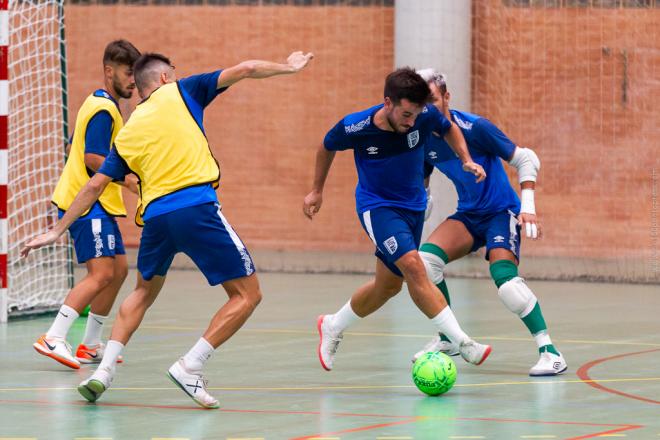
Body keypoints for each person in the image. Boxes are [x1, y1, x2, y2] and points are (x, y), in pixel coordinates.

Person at [22, 50, 314, 408]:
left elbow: (95, 185)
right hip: (196, 209)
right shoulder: (184, 91)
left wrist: (56, 231)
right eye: (173, 72)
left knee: (143, 291)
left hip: (156, 219)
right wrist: (289, 66)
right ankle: (190, 366)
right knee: (247, 295)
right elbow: (248, 68)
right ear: (163, 79)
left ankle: (104, 372)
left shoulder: (129, 130)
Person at [303, 67, 492, 372]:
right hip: (378, 208)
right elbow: (326, 146)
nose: (411, 121)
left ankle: (332, 325)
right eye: (406, 114)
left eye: (416, 114)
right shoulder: (356, 126)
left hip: (413, 207)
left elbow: (448, 128)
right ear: (388, 102)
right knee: (415, 267)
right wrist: (316, 191)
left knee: (387, 287)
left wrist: (466, 159)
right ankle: (462, 342)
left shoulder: (424, 116)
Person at [413, 69, 567, 376]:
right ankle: (448, 339)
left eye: (432, 100)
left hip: (501, 212)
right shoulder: (421, 135)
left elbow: (527, 159)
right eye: (421, 103)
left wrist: (528, 207)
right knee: (425, 261)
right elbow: (424, 175)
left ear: (446, 97)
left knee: (506, 281)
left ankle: (550, 351)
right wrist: (422, 201)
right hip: (469, 215)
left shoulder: (475, 128)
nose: (427, 109)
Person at [33, 39, 141, 370]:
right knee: (101, 273)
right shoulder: (104, 109)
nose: (132, 81)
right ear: (109, 71)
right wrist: (128, 180)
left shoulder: (100, 103)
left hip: (101, 205)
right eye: (127, 73)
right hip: (86, 203)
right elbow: (93, 159)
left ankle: (90, 344)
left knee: (119, 271)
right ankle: (54, 336)